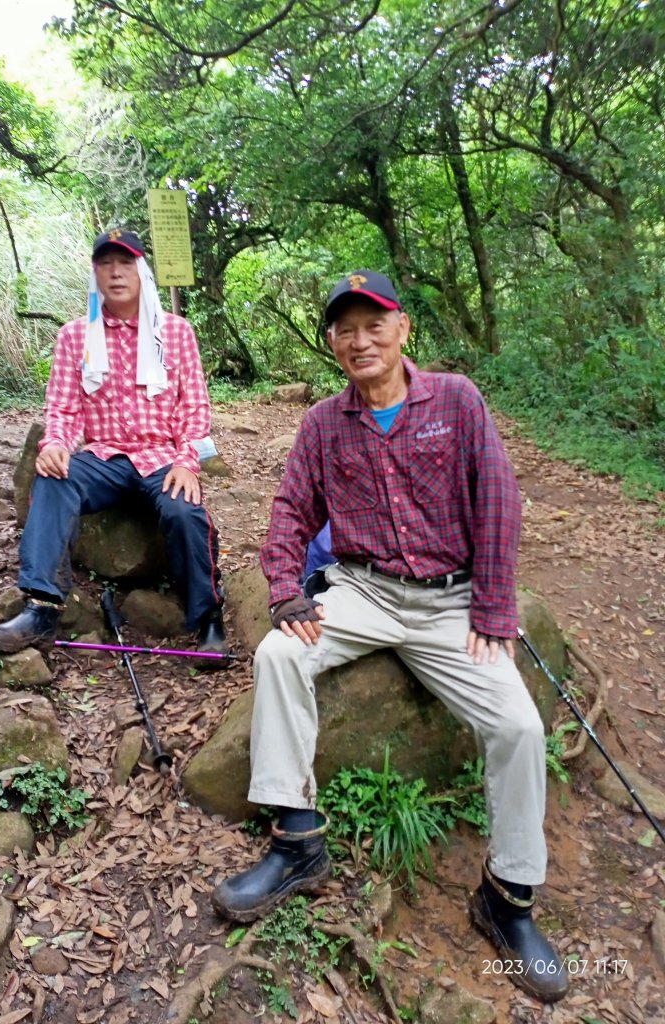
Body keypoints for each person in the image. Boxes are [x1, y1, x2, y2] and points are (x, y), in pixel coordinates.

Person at [211, 270, 568, 1002]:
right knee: (281, 654)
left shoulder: (457, 400)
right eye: (345, 328)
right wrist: (283, 591)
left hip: (450, 604)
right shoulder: (322, 424)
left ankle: (510, 897)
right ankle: (298, 840)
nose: (360, 339)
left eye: (374, 323)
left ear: (403, 328)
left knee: (520, 727)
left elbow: (498, 498)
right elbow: (289, 513)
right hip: (364, 591)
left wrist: (496, 609)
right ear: (333, 344)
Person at [0, 229, 226, 658]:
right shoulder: (76, 336)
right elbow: (64, 410)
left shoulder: (176, 333)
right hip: (104, 456)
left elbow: (195, 409)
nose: (116, 273)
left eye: (125, 263)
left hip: (163, 455)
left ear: (141, 271)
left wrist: (187, 461)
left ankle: (207, 617)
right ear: (95, 273)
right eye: (106, 264)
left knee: (185, 511)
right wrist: (55, 443)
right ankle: (42, 607)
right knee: (53, 478)